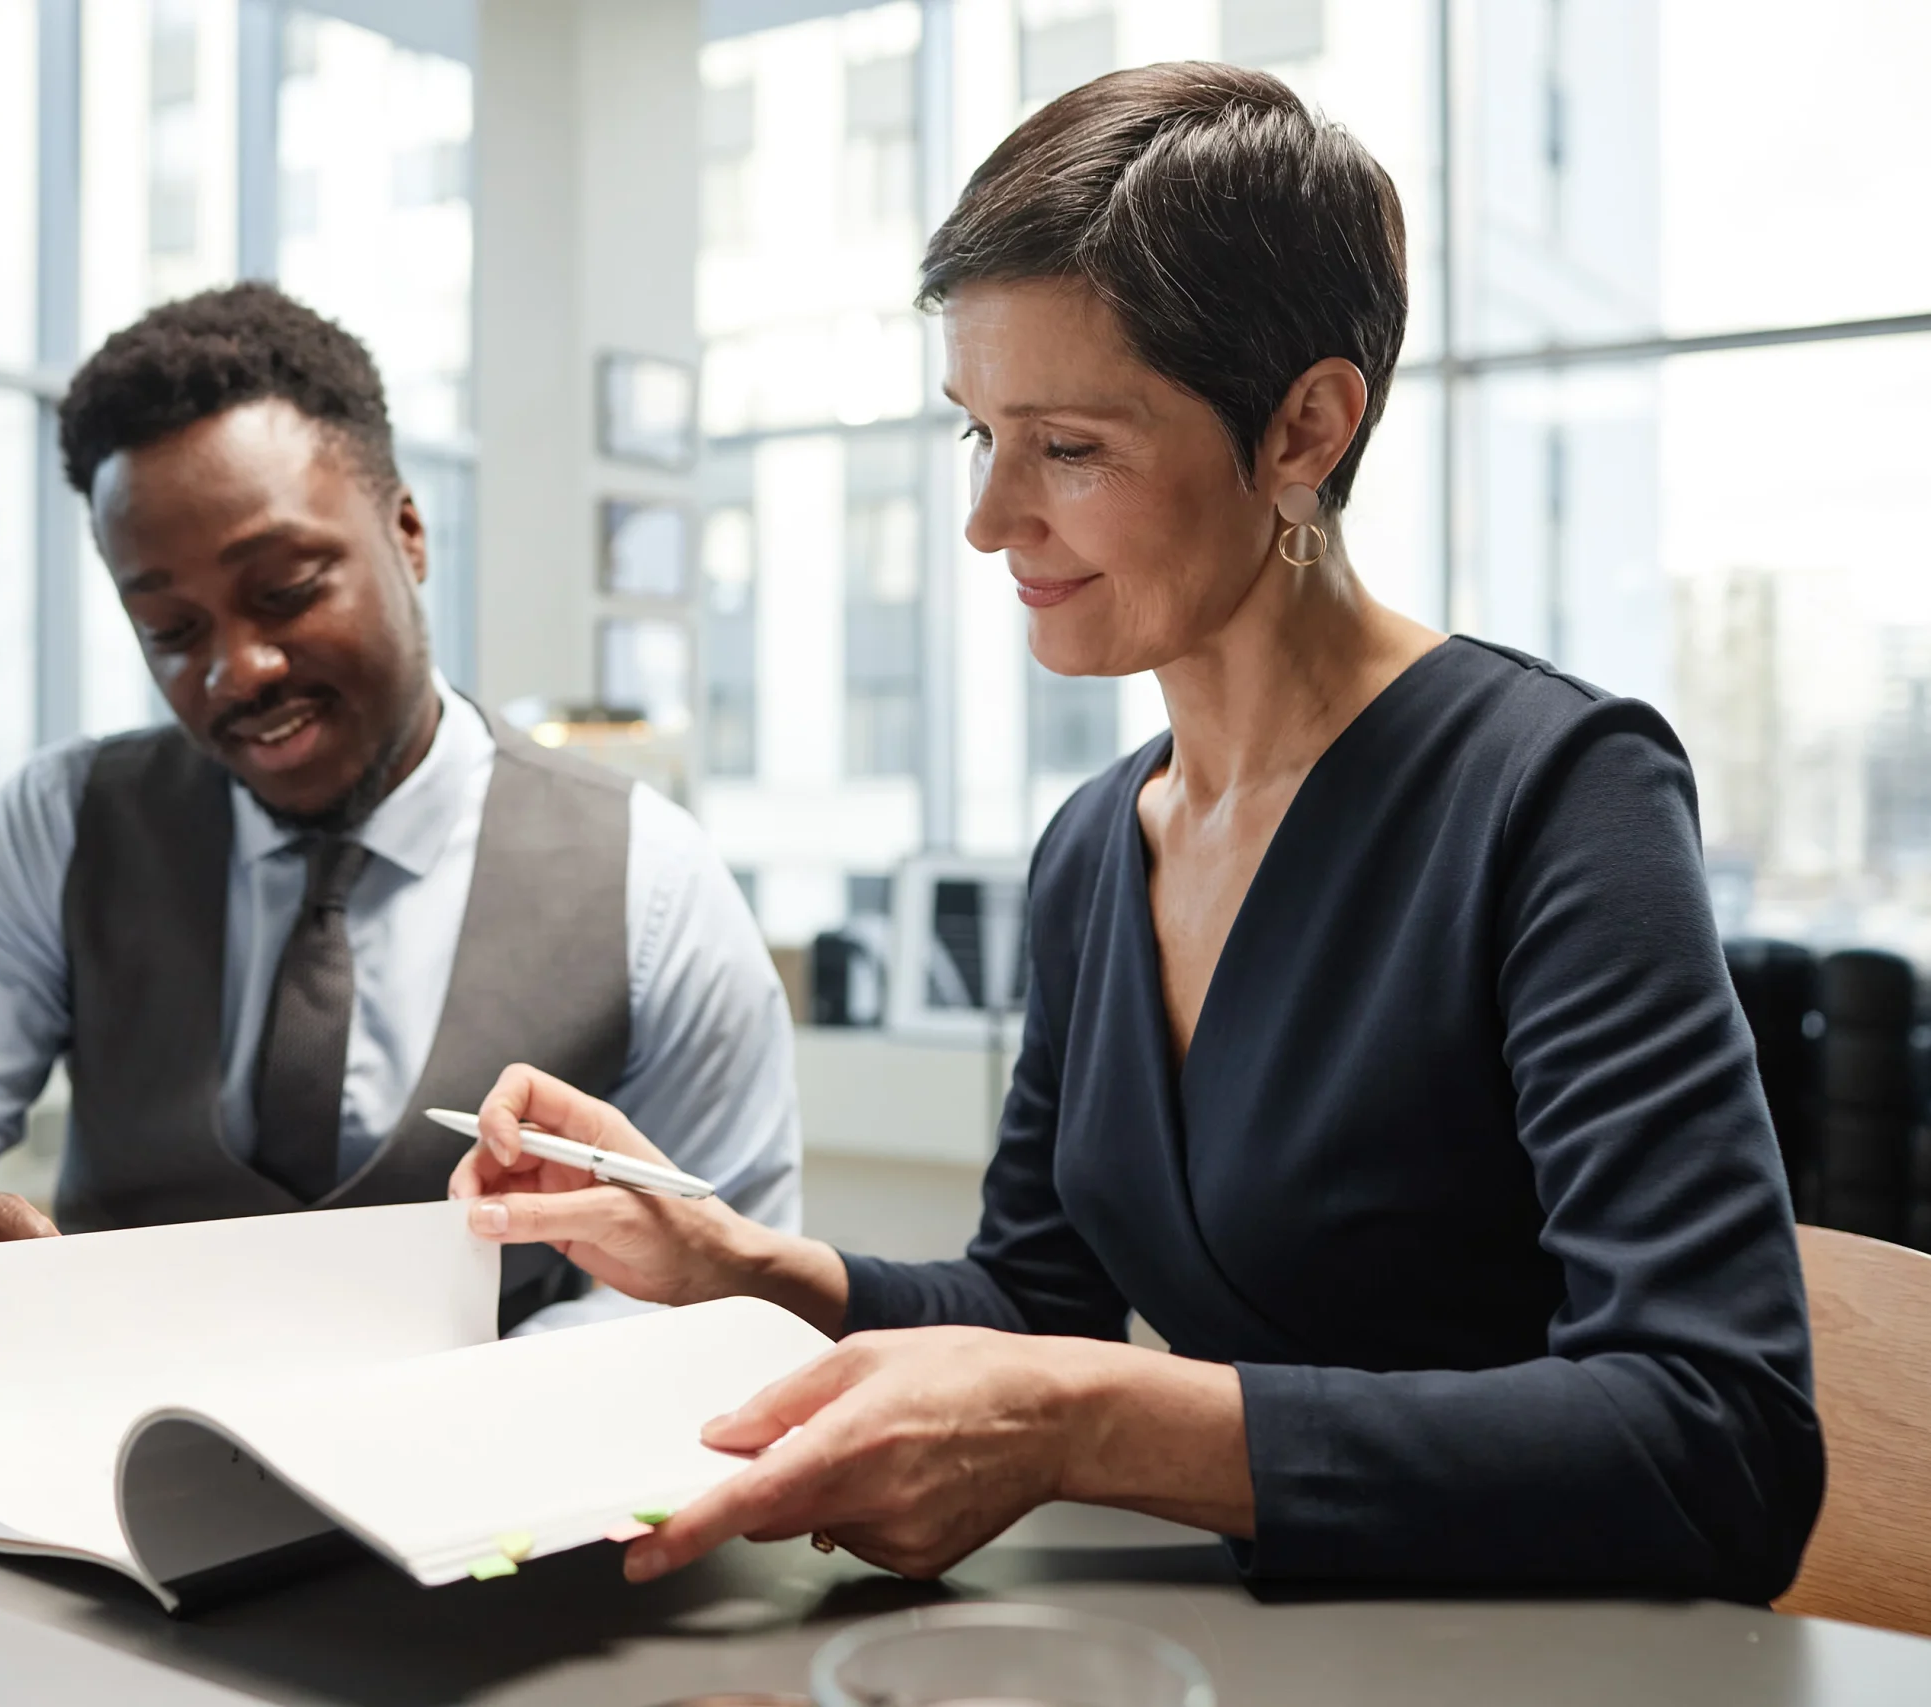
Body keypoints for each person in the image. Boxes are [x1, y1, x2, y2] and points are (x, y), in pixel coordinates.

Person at [452, 63, 1822, 1602]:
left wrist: (1087, 1420)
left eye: (1072, 448)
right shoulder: (1099, 847)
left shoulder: (1558, 792)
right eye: (977, 432)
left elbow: (1722, 1440)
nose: (988, 518)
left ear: (1305, 427)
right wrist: (737, 1261)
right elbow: (1038, 1301)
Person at [0, 284, 801, 1408]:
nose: (235, 671)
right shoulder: (58, 826)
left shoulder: (652, 879)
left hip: (504, 1526)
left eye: (286, 591)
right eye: (172, 630)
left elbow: (728, 1274)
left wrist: (426, 1420)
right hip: (102, 1500)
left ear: (407, 532)